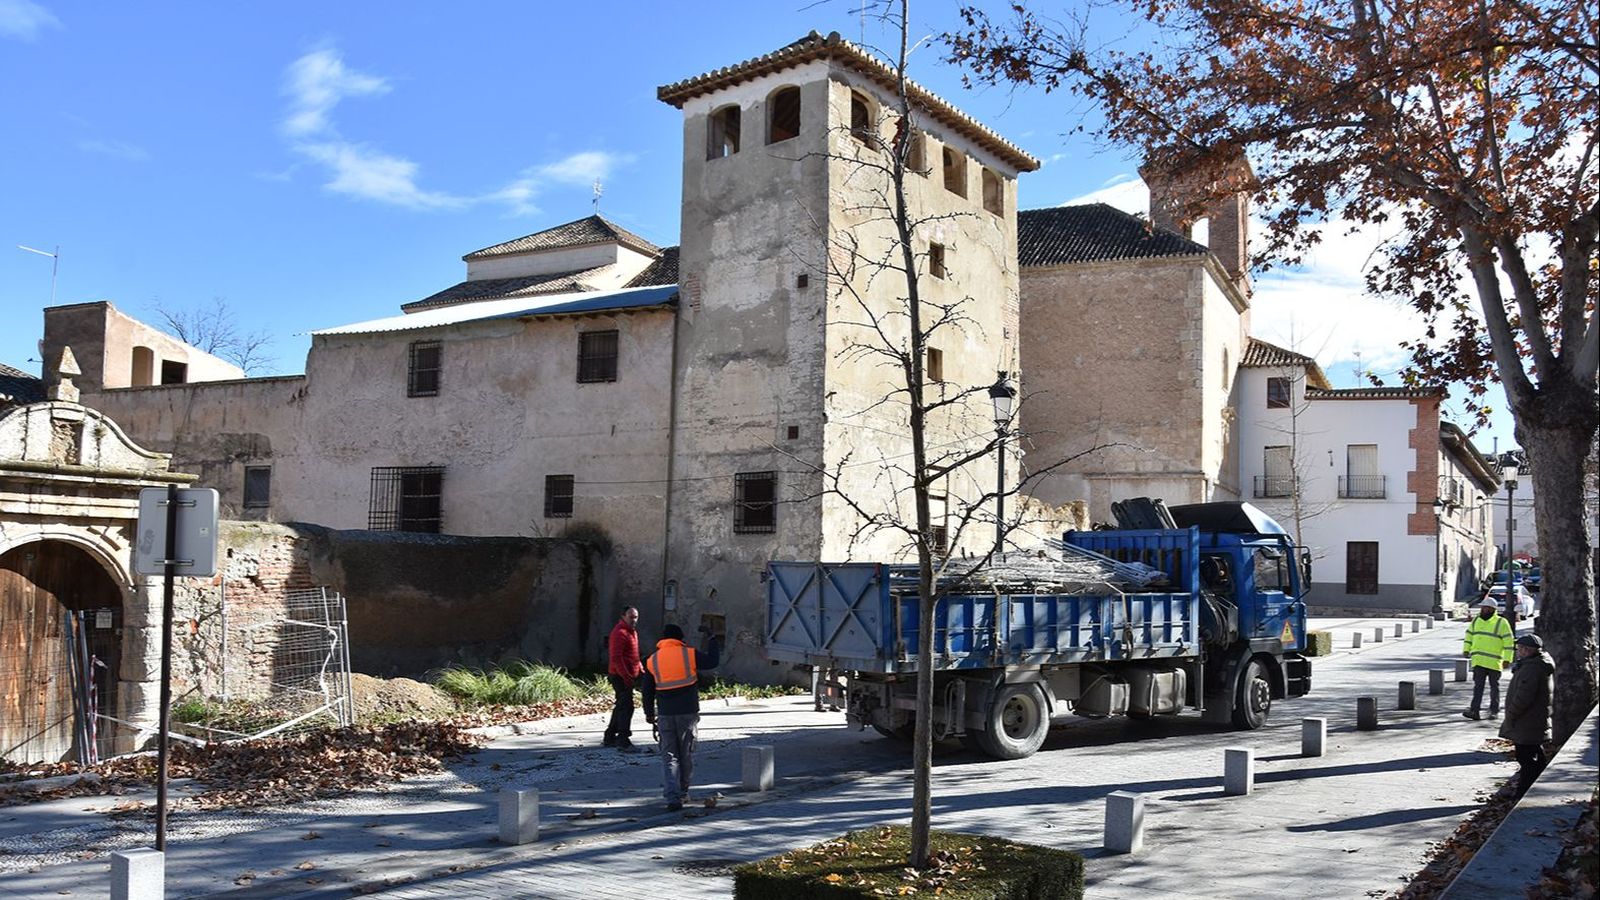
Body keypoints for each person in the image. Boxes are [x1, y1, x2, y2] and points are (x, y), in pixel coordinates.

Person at [641, 623, 721, 811]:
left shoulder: (653, 660)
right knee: (686, 754)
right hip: (687, 713)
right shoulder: (689, 654)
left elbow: (647, 691)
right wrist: (712, 639)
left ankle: (672, 798)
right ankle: (683, 792)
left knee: (669, 756)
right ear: (680, 639)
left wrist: (649, 713)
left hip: (665, 714)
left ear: (663, 640)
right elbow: (712, 662)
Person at [1500, 633, 1554, 797]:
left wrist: (1511, 715)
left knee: (1525, 757)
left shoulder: (1532, 668)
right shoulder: (1535, 664)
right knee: (1532, 752)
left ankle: (1524, 791)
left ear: (1528, 650)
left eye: (1521, 649)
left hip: (1527, 720)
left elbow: (1524, 697)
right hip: (1533, 719)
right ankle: (1533, 784)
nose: (1518, 651)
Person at [1462, 597, 1514, 720]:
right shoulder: (1476, 621)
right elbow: (1469, 636)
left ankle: (1494, 710)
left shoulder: (1501, 622)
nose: (1483, 609)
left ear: (1492, 609)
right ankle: (1475, 711)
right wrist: (1466, 649)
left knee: (1494, 688)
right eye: (1482, 607)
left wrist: (1507, 659)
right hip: (1479, 661)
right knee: (1478, 687)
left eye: (1486, 607)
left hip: (1494, 662)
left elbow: (1509, 642)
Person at [603, 607, 641, 751]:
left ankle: (610, 736)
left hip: (628, 675)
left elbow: (634, 655)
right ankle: (623, 740)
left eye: (636, 617)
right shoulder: (620, 633)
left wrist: (640, 668)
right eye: (631, 617)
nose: (634, 620)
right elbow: (617, 658)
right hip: (620, 676)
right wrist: (626, 676)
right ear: (623, 616)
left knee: (621, 706)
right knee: (626, 707)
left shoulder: (632, 632)